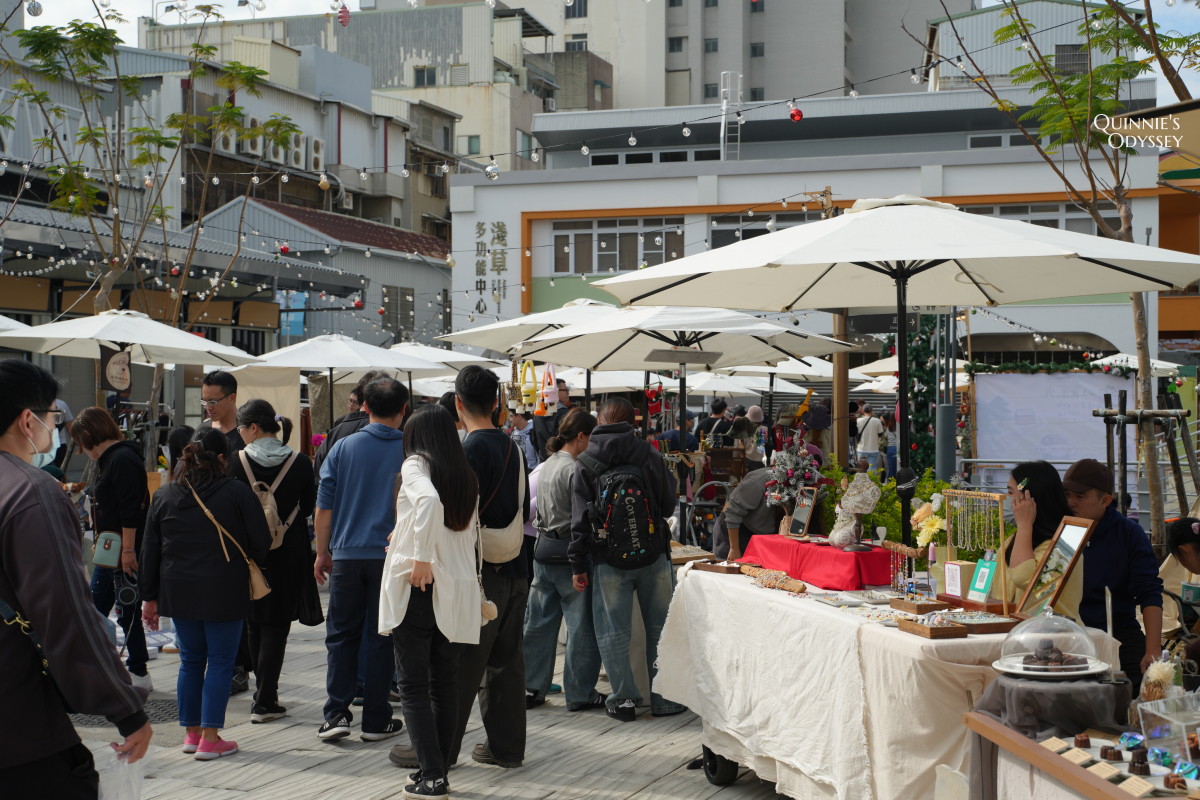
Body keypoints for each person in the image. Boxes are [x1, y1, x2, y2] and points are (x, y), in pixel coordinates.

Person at [0, 360, 153, 798]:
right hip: (19, 724)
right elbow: (65, 614)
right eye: (53, 417)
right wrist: (125, 709)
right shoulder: (30, 491)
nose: (56, 430)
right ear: (27, 420)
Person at [140, 428, 270, 760]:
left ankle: (191, 733)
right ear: (222, 459)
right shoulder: (237, 492)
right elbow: (261, 542)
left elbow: (150, 550)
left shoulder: (165, 494)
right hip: (225, 587)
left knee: (191, 661)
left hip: (177, 590)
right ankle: (211, 738)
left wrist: (148, 596)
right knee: (222, 661)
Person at [379, 405, 481, 798]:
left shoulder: (415, 465)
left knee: (413, 686)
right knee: (444, 683)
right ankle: (439, 767)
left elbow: (429, 504)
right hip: (456, 587)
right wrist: (406, 537)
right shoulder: (464, 472)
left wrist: (420, 554)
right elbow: (464, 533)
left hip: (421, 584)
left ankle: (433, 774)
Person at [436, 364, 531, 770]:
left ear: (457, 404)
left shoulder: (470, 449)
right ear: (497, 403)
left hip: (481, 570)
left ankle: (439, 750)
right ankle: (506, 748)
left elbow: (457, 516)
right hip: (516, 563)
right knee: (507, 662)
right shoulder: (512, 445)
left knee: (463, 662)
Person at [570, 397, 685, 722]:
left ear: (598, 421)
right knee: (660, 628)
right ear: (631, 420)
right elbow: (665, 505)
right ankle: (666, 700)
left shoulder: (586, 461)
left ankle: (623, 700)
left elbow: (578, 521)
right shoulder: (646, 451)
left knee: (613, 631)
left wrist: (578, 565)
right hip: (653, 554)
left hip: (608, 560)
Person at [315, 377, 408, 742]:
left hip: (347, 555)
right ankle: (376, 719)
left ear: (364, 406)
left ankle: (337, 713)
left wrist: (323, 551)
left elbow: (324, 509)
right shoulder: (412, 450)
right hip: (391, 557)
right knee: (382, 636)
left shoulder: (342, 447)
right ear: (404, 409)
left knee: (340, 636)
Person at [227, 399, 317, 724]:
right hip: (288, 550)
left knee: (254, 620)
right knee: (277, 626)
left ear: (252, 427)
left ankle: (262, 695)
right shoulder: (301, 462)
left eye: (241, 428)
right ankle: (265, 699)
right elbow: (308, 507)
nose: (239, 434)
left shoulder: (235, 463)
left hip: (249, 552)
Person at [524, 408, 605, 713]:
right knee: (581, 626)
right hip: (571, 555)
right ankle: (580, 692)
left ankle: (532, 687)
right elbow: (582, 519)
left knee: (539, 624)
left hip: (544, 550)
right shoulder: (575, 469)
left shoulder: (546, 465)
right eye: (592, 438)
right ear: (582, 436)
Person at [1063, 458, 1163, 695]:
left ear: (1105, 500)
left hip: (1118, 631)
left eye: (1080, 496)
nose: (1071, 502)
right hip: (1066, 631)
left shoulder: (1130, 534)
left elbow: (1149, 591)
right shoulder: (1061, 529)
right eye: (1067, 495)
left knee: (1140, 690)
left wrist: (1153, 648)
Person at [72, 407, 153, 691]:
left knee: (125, 610)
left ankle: (138, 672)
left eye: (80, 443)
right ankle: (101, 669)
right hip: (110, 550)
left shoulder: (121, 458)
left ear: (87, 434)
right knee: (95, 610)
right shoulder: (113, 459)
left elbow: (131, 509)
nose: (81, 450)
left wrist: (129, 551)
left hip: (122, 550)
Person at [1001, 461, 1082, 620]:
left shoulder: (1066, 546)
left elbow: (1024, 580)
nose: (1005, 498)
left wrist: (1024, 524)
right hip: (1022, 633)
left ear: (1029, 497)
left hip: (1058, 636)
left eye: (1010, 492)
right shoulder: (1015, 538)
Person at [313, 370, 387, 488]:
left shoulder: (337, 431)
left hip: (337, 502)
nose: (351, 404)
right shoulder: (391, 434)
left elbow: (319, 477)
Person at [717, 466, 777, 560]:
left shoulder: (799, 485)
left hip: (762, 534)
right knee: (728, 570)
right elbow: (733, 513)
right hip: (736, 528)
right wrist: (734, 548)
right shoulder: (759, 481)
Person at [196, 370, 244, 456]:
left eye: (213, 402)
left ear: (232, 398)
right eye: (205, 401)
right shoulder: (202, 431)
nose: (208, 408)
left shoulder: (249, 432)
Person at [531, 377, 572, 462]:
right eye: (565, 390)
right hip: (560, 461)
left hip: (543, 462)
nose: (568, 393)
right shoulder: (564, 413)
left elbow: (534, 439)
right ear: (555, 391)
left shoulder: (537, 413)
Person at [856, 404, 883, 473]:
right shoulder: (877, 421)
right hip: (873, 449)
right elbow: (880, 435)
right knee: (872, 469)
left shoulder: (858, 421)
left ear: (863, 411)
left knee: (861, 469)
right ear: (872, 411)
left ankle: (862, 483)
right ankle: (871, 483)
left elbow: (855, 434)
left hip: (861, 449)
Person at [52, 397, 75, 468]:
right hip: (42, 444)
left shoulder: (61, 404)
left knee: (61, 470)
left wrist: (74, 440)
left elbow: (68, 424)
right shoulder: (36, 403)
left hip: (60, 443)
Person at [882, 412, 899, 480]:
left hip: (890, 448)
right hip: (897, 448)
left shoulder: (887, 427)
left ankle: (889, 482)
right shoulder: (899, 426)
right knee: (898, 466)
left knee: (890, 467)